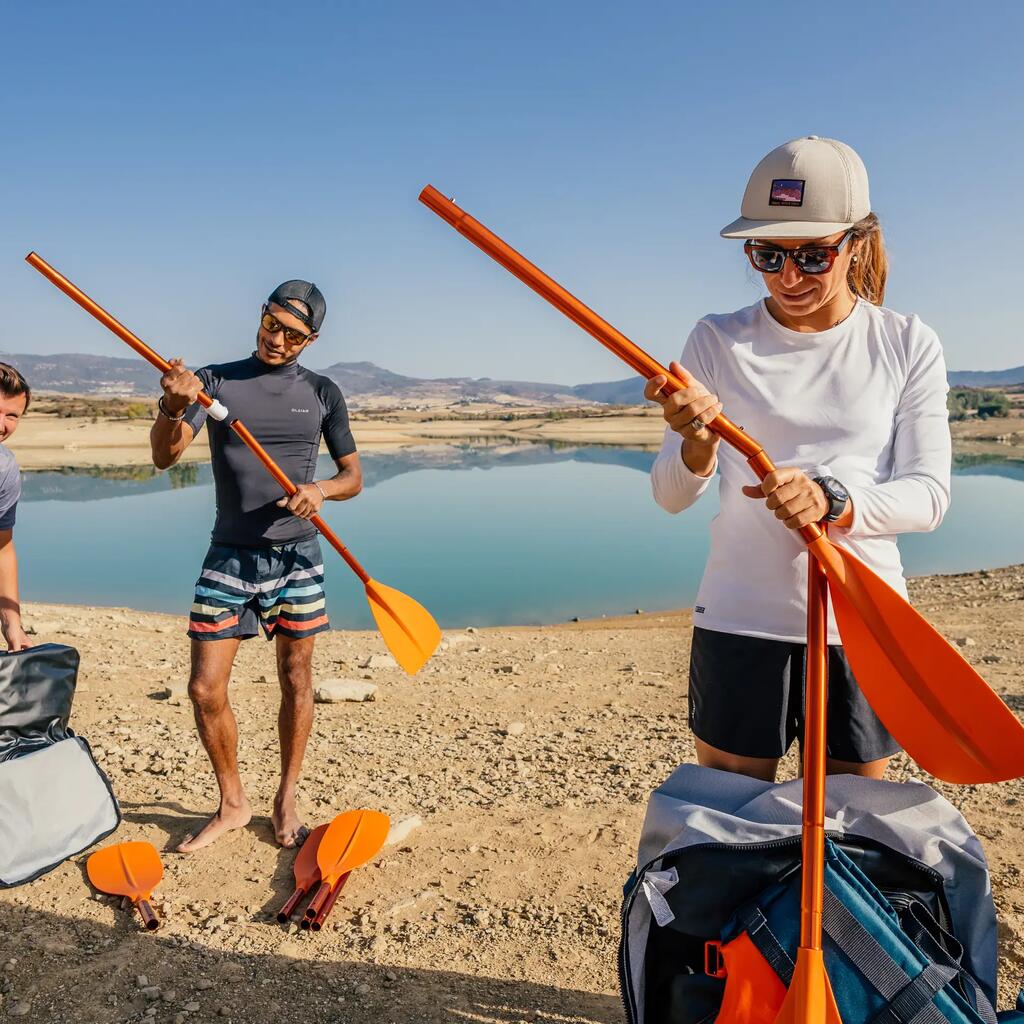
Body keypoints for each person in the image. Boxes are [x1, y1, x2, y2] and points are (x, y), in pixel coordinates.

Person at [646, 136, 951, 783]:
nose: (789, 276)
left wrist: (834, 498)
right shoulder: (716, 340)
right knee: (732, 829)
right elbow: (671, 495)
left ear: (857, 244)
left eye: (813, 255)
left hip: (864, 625)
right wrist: (697, 444)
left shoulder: (905, 342)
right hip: (740, 620)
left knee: (850, 842)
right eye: (768, 253)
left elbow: (928, 495)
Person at [151, 280, 362, 851]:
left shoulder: (322, 391)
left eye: (294, 334)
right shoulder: (214, 382)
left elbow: (353, 478)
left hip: (299, 556)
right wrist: (175, 404)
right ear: (262, 316)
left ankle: (286, 797)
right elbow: (164, 455)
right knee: (204, 688)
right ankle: (233, 803)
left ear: (310, 339)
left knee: (297, 679)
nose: (278, 339)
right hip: (230, 555)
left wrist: (320, 491)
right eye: (273, 324)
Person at [0, 364, 32, 653]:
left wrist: (12, 621)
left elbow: (2, 548)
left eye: (11, 416)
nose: (2, 425)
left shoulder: (4, 468)